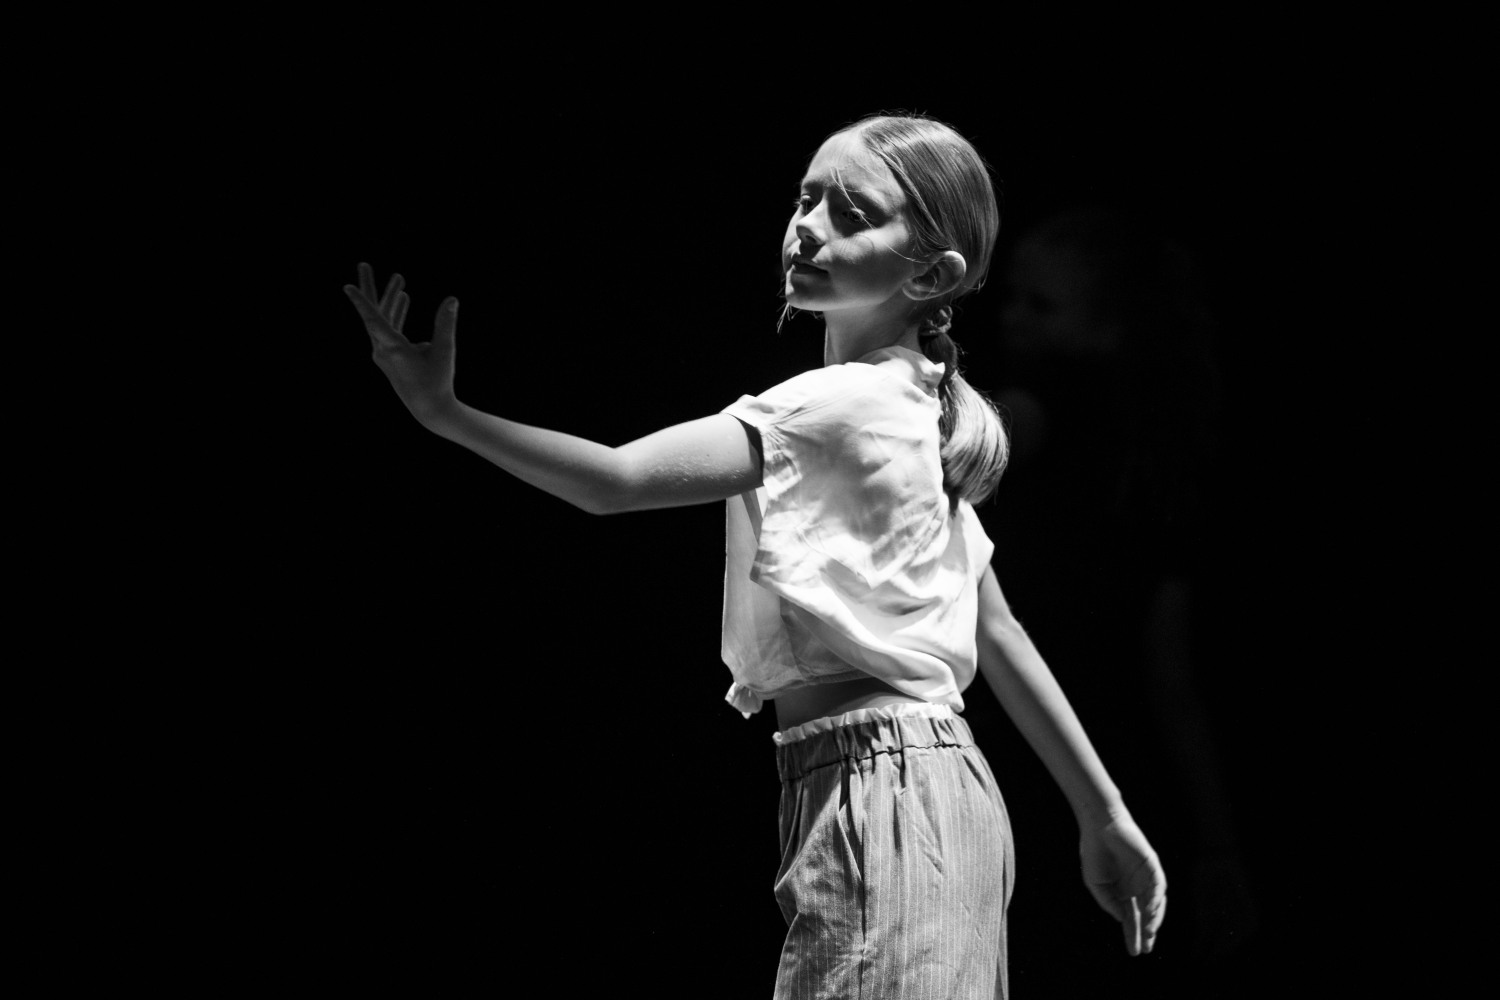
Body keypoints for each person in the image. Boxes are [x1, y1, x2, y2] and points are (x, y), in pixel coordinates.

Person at [345, 113, 1166, 999]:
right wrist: (1103, 812)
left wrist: (446, 415)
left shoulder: (840, 405)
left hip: (887, 788)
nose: (810, 226)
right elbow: (996, 630)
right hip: (915, 788)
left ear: (931, 273)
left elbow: (615, 480)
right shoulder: (912, 407)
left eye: (853, 214)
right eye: (806, 200)